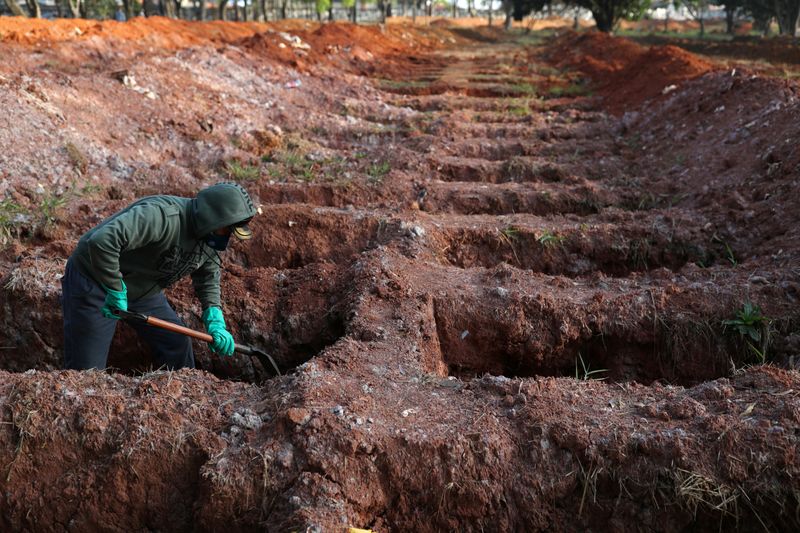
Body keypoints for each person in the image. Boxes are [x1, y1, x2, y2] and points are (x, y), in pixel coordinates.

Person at [61, 182, 258, 371]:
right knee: (87, 372)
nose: (227, 237)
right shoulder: (162, 216)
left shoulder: (208, 237)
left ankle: (183, 398)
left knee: (177, 343)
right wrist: (114, 287)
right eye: (227, 230)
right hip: (95, 279)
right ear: (211, 217)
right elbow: (102, 242)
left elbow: (208, 277)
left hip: (143, 289)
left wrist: (215, 319)